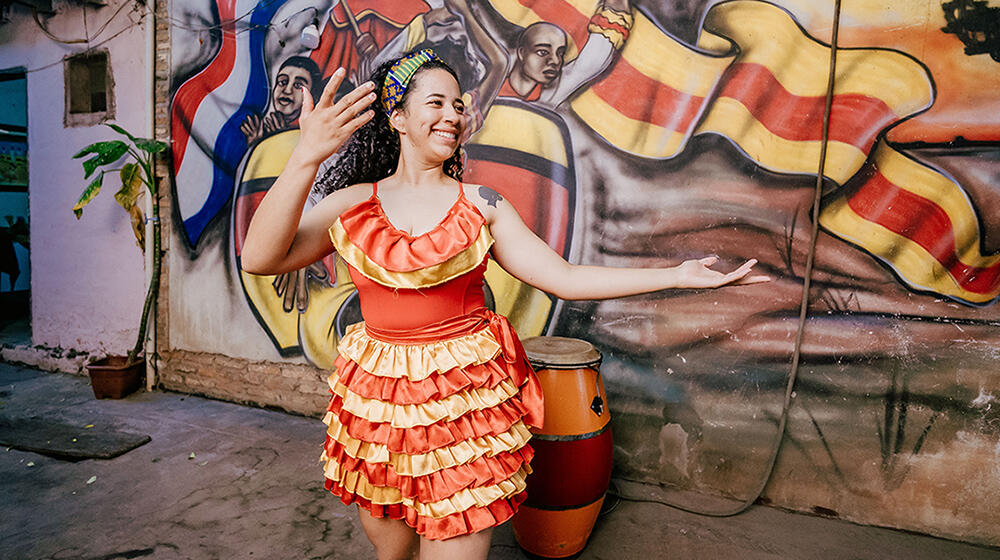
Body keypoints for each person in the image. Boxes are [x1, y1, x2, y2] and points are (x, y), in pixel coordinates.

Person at [240, 50, 766, 560]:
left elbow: (563, 277)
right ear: (397, 117)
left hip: (462, 413)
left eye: (458, 105)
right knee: (393, 551)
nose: (453, 115)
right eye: (436, 103)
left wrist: (677, 274)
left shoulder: (483, 205)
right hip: (378, 411)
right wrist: (306, 155)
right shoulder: (352, 205)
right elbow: (259, 258)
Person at [240, 56, 323, 145]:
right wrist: (255, 144)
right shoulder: (258, 130)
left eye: (298, 85)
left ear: (313, 96)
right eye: (282, 82)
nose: (287, 90)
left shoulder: (313, 136)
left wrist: (282, 140)